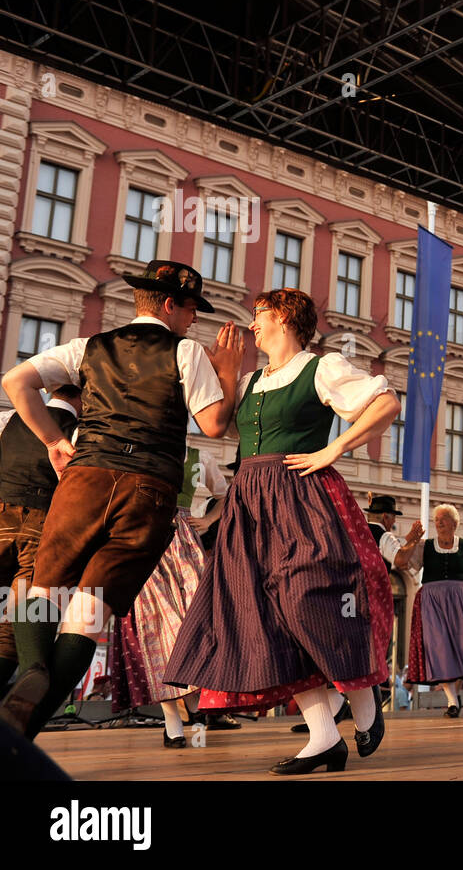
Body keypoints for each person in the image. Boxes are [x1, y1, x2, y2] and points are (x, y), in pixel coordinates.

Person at [0, 260, 241, 740]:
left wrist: (54, 440)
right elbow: (214, 426)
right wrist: (230, 372)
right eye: (192, 309)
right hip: (148, 488)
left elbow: (15, 383)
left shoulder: (88, 346)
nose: (194, 320)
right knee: (91, 610)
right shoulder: (187, 351)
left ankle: (32, 668)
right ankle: (25, 726)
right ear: (171, 305)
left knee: (44, 589)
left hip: (85, 476)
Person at [165, 287, 399, 775]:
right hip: (250, 500)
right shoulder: (251, 380)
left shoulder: (323, 367)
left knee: (310, 600)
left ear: (286, 319)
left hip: (300, 496)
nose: (252, 324)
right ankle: (324, 737)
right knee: (266, 616)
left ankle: (363, 698)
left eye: (260, 314)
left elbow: (384, 403)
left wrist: (334, 450)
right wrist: (226, 372)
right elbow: (217, 429)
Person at [107, 446, 231, 747]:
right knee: (156, 630)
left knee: (195, 626)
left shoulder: (198, 457)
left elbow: (227, 494)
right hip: (143, 540)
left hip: (183, 545)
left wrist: (210, 519)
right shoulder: (137, 447)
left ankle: (192, 709)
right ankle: (175, 722)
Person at [0, 384, 81, 694]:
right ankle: (27, 687)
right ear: (82, 397)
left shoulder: (9, 419)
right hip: (42, 526)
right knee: (21, 616)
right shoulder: (79, 433)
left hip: (2, 516)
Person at [398, 503, 463, 718]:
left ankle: (457, 692)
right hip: (431, 601)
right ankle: (452, 701)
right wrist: (411, 540)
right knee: (439, 648)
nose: (438, 522)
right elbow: (403, 563)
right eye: (436, 519)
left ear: (454, 523)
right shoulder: (425, 545)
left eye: (443, 518)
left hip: (457, 600)